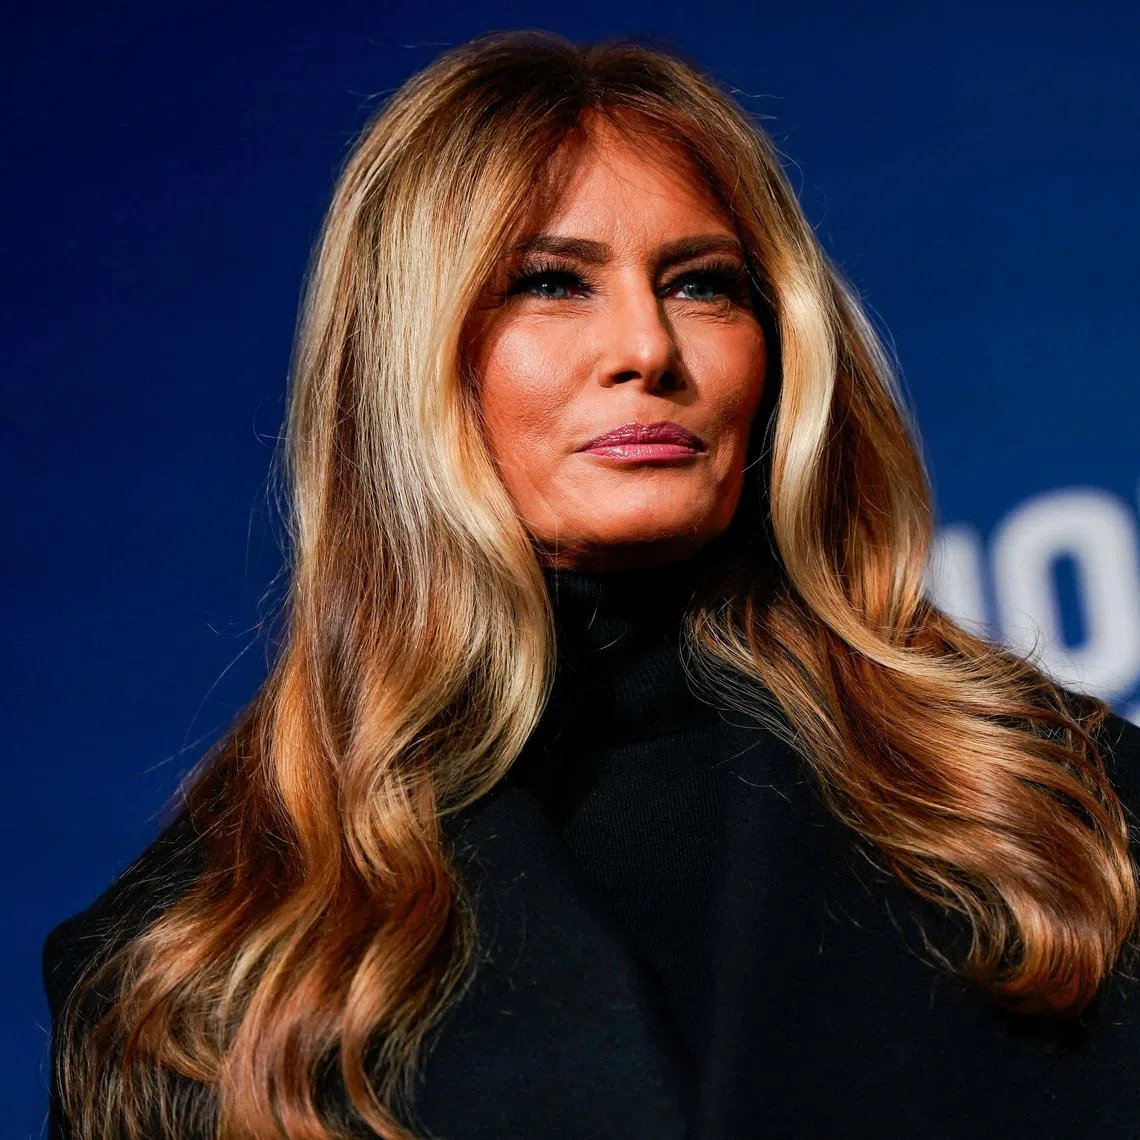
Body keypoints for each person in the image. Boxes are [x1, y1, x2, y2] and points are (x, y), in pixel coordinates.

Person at [42, 29, 1140, 1140]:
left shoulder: (1060, 811)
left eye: (704, 284)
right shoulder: (196, 957)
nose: (647, 348)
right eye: (551, 283)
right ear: (406, 358)